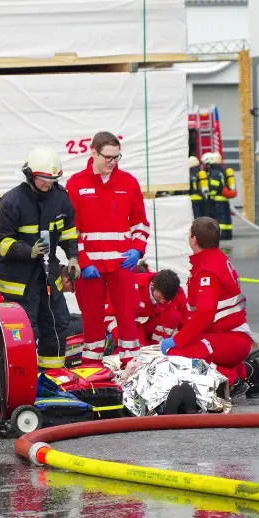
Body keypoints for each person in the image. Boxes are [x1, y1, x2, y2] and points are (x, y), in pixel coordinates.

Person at [66, 131, 150, 365]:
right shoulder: (76, 184)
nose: (112, 162)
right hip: (90, 267)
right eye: (108, 157)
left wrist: (137, 249)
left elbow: (140, 223)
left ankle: (131, 367)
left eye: (116, 157)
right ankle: (92, 370)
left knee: (127, 318)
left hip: (122, 264)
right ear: (93, 153)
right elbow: (71, 229)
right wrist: (83, 261)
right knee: (92, 321)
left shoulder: (128, 182)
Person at [0, 147, 80, 370]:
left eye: (52, 180)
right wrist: (27, 251)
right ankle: (24, 378)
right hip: (19, 281)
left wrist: (73, 258)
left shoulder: (60, 198)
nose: (48, 184)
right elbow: (1, 243)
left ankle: (51, 375)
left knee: (57, 326)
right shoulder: (12, 201)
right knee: (24, 331)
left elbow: (68, 232)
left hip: (48, 276)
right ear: (30, 174)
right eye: (43, 179)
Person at [159, 217, 259, 398]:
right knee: (192, 350)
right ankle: (247, 371)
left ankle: (231, 381)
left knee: (178, 355)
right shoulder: (217, 259)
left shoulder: (207, 270)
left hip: (229, 338)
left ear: (194, 239)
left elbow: (205, 314)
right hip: (232, 337)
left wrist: (178, 339)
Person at [104, 269, 187, 349]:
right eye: (159, 297)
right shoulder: (130, 286)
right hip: (132, 323)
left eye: (167, 300)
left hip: (152, 322)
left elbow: (184, 320)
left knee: (173, 317)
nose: (162, 302)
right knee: (136, 349)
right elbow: (108, 316)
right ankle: (113, 343)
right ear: (152, 285)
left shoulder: (175, 291)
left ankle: (157, 347)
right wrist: (121, 336)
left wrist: (184, 340)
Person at [200, 152, 237, 240]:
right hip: (224, 199)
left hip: (216, 200)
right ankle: (228, 234)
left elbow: (214, 185)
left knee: (220, 218)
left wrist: (209, 196)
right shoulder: (223, 171)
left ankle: (221, 235)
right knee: (226, 217)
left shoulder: (214, 172)